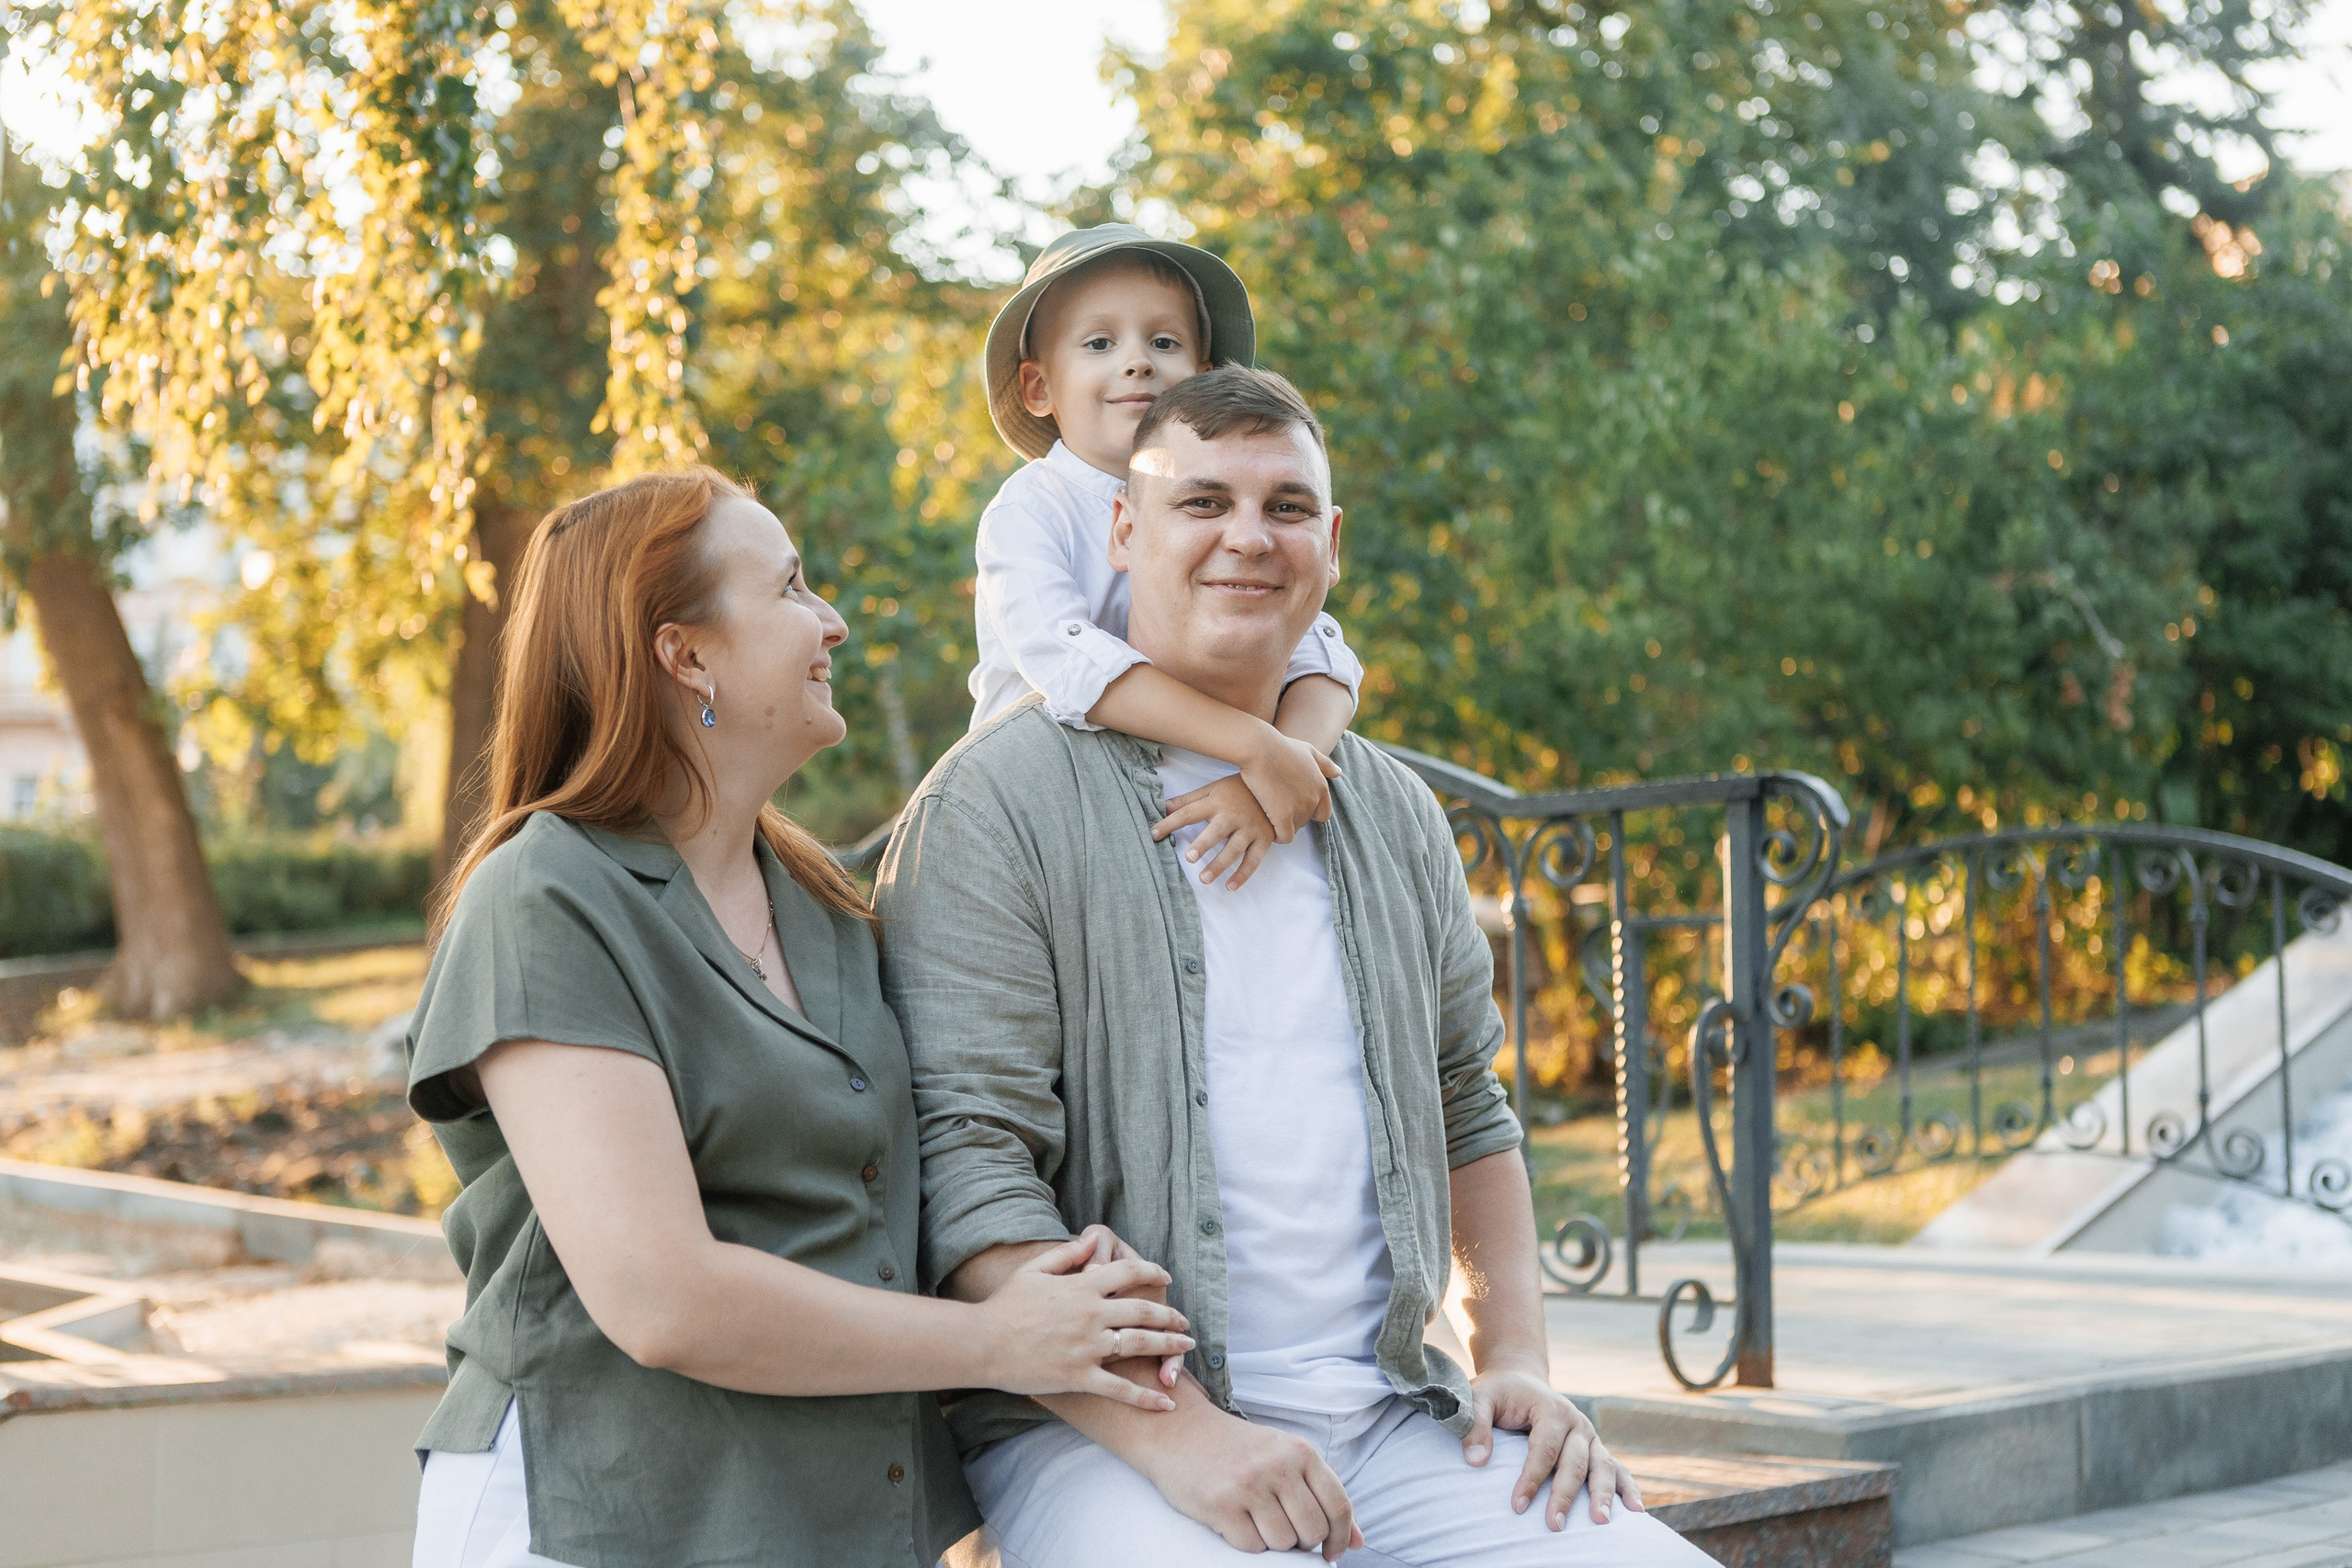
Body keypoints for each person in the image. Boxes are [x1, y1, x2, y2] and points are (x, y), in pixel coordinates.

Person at [880, 371, 1717, 1568]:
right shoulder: (995, 804)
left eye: (1284, 507)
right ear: (1126, 528)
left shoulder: (1389, 809)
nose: (1245, 537)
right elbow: (967, 1161)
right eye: (1201, 500)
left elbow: (1468, 1106)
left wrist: (1518, 1360)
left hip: (1396, 1416)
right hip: (1100, 1436)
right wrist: (1186, 1438)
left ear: (1329, 545)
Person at [402, 468, 1194, 1568]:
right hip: (605, 1518)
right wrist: (999, 1341)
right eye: (790, 588)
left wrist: (1056, 1277)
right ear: (686, 657)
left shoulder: (824, 909)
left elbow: (887, 1213)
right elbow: (660, 1296)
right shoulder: (546, 898)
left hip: (828, 1523)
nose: (832, 622)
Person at [970, 221, 1363, 889]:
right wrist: (1252, 744)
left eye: (1164, 341)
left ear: (1203, 376)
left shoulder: (1234, 521)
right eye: (1099, 343)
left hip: (1184, 781)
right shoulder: (1031, 509)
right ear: (1039, 387)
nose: (1137, 361)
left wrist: (1279, 764)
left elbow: (1322, 650)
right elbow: (1070, 662)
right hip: (1052, 795)